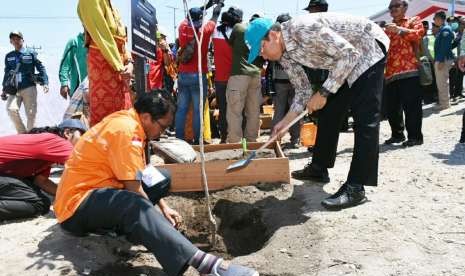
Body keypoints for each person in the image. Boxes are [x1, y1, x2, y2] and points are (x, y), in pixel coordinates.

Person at [53, 91, 259, 276]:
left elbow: (142, 174)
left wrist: (164, 207)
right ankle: (207, 265)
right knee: (132, 203)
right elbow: (134, 188)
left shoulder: (133, 123)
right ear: (146, 117)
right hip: (77, 207)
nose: (161, 133)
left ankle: (136, 230)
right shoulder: (126, 130)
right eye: (162, 126)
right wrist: (156, 216)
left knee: (162, 178)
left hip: (102, 192)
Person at [245, 13, 389, 210]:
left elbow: (350, 54)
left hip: (367, 48)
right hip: (344, 62)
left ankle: (356, 187)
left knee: (365, 118)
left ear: (272, 35)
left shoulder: (302, 28)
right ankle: (319, 168)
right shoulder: (284, 55)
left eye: (261, 49)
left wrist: (324, 92)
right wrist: (284, 123)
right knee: (329, 112)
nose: (262, 56)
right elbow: (303, 91)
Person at [0, 119, 86, 221]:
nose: (85, 142)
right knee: (38, 203)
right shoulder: (56, 141)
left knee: (38, 196)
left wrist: (69, 195)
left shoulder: (46, 151)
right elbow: (83, 164)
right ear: (67, 133)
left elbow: (41, 181)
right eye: (82, 137)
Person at [78, 0, 134, 126]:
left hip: (119, 66)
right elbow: (102, 37)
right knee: (106, 119)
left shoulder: (113, 6)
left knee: (123, 114)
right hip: (104, 64)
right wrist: (119, 67)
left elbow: (123, 42)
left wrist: (129, 63)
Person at [176, 1, 223, 144]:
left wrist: (206, 5)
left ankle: (179, 139)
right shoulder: (205, 30)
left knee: (182, 108)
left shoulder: (183, 27)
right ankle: (197, 140)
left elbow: (190, 16)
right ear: (201, 19)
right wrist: (218, 5)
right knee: (198, 110)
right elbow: (214, 17)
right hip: (198, 74)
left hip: (183, 74)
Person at [383, 0, 424, 147]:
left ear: (405, 7)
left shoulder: (414, 20)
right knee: (392, 108)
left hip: (409, 70)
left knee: (411, 106)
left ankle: (415, 137)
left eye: (396, 6)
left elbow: (418, 35)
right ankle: (397, 135)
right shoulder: (386, 29)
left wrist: (399, 30)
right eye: (391, 7)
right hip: (390, 73)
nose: (393, 9)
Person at [226, 12, 264, 143]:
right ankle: (252, 140)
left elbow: (230, 44)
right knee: (253, 111)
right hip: (256, 75)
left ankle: (235, 142)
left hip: (239, 74)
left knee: (234, 111)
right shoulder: (262, 35)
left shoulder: (239, 28)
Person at [1, 31, 49, 134]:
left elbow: (41, 67)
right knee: (11, 109)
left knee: (31, 114)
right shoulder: (9, 56)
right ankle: (22, 133)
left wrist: (45, 82)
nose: (16, 41)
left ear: (22, 40)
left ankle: (31, 137)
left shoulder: (30, 53)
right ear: (10, 41)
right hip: (14, 88)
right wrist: (4, 89)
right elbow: (7, 73)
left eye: (18, 38)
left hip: (29, 87)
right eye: (13, 39)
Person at [269, 13, 301, 149]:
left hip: (280, 82)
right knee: (295, 110)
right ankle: (295, 140)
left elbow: (270, 61)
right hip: (295, 81)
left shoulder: (274, 40)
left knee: (279, 111)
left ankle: (275, 140)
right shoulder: (294, 39)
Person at [212, 7, 242, 143]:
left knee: (223, 110)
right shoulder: (238, 33)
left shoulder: (215, 32)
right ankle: (236, 137)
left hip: (220, 79)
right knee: (236, 109)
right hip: (235, 77)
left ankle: (224, 137)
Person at [433, 11, 454, 111]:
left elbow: (444, 47)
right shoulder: (443, 29)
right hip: (442, 58)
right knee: (441, 82)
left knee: (442, 82)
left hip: (443, 59)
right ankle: (444, 102)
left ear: (440, 19)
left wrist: (440, 60)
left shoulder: (445, 29)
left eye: (435, 18)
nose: (434, 20)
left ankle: (444, 104)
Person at [58, 32, 88, 100]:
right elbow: (65, 65)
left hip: (96, 93)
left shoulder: (99, 43)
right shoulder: (75, 42)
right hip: (78, 93)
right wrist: (64, 83)